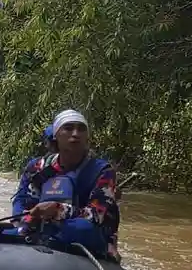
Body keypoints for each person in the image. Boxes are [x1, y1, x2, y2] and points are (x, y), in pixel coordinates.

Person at [11, 109, 121, 260]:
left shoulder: (103, 171)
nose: (75, 134)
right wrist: (20, 222)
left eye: (81, 129)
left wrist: (57, 210)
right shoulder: (37, 167)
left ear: (87, 136)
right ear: (56, 135)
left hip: (79, 229)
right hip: (38, 226)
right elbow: (22, 199)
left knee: (84, 229)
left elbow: (96, 215)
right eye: (68, 128)